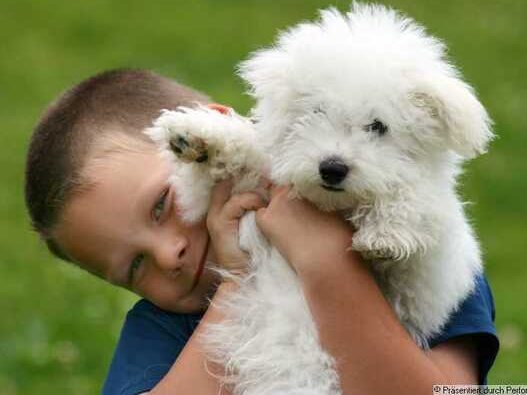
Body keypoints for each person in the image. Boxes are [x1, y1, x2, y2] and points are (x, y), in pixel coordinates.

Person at [25, 68, 499, 395]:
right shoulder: (162, 331)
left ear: (207, 138)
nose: (169, 255)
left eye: (160, 207)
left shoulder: (417, 249)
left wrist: (328, 264)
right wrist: (236, 282)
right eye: (135, 266)